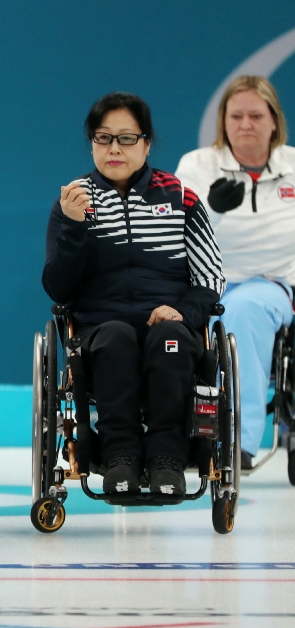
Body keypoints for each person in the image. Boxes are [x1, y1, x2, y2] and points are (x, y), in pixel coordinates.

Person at [43, 92, 225, 496]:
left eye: (126, 139)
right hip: (100, 329)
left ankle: (168, 458)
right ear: (92, 143)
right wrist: (74, 228)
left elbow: (210, 279)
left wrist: (183, 313)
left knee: (170, 338)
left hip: (171, 324)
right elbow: (59, 289)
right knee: (116, 337)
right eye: (103, 138)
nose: (113, 149)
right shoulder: (73, 202)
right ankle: (120, 456)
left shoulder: (182, 198)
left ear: (146, 143)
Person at [175, 76, 295, 469]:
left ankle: (235, 442)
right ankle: (165, 438)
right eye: (237, 115)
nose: (246, 124)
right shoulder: (198, 165)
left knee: (243, 311)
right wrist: (214, 208)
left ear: (274, 121)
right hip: (205, 282)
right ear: (223, 122)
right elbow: (175, 229)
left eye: (256, 115)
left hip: (271, 283)